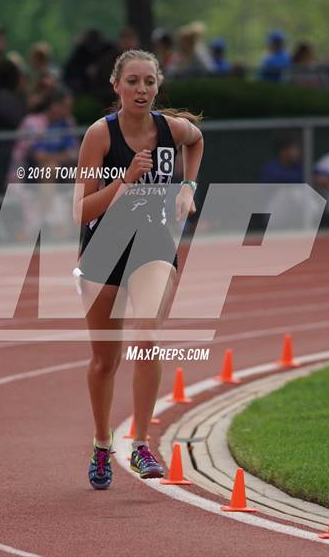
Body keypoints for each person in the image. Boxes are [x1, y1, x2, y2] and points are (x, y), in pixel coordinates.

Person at [72, 49, 203, 489]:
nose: (142, 89)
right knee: (104, 361)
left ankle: (142, 443)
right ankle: (101, 443)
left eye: (149, 81)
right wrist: (125, 181)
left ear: (158, 85)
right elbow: (81, 210)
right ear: (116, 86)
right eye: (132, 81)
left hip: (153, 242)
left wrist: (187, 186)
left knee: (147, 339)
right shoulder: (100, 135)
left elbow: (197, 138)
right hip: (105, 247)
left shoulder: (170, 128)